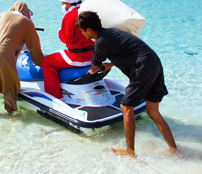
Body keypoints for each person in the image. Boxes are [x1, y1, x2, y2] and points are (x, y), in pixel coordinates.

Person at [76, 11, 178, 156]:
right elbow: (127, 52)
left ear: (89, 30)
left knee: (126, 107)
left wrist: (91, 72)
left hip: (143, 67)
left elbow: (93, 68)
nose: (82, 34)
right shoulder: (112, 33)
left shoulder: (100, 42)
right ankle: (174, 149)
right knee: (153, 112)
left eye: (82, 31)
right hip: (154, 63)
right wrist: (110, 65)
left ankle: (130, 151)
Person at [0, 1, 44, 114]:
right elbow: (34, 47)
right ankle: (10, 113)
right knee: (11, 83)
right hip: (5, 53)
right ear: (27, 13)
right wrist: (41, 62)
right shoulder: (27, 23)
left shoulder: (3, 14)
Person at [40, 0, 95, 98]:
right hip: (91, 56)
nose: (62, 6)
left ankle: (54, 96)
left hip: (76, 58)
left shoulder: (69, 16)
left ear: (67, 4)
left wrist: (60, 31)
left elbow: (67, 40)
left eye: (62, 3)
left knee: (46, 62)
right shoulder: (86, 12)